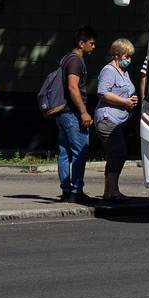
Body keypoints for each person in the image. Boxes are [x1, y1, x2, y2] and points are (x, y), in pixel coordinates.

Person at [94, 38, 139, 201]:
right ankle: (113, 190)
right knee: (118, 152)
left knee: (113, 154)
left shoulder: (123, 72)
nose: (129, 60)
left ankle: (108, 192)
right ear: (117, 54)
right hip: (108, 118)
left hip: (120, 119)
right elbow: (103, 92)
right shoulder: (109, 71)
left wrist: (131, 100)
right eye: (127, 56)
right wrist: (125, 101)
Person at [58, 25, 97, 203]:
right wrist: (83, 112)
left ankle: (66, 191)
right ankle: (76, 191)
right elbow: (73, 87)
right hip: (72, 113)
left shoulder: (66, 59)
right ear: (81, 43)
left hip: (63, 113)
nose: (93, 46)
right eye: (91, 43)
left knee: (65, 152)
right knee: (79, 151)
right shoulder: (76, 61)